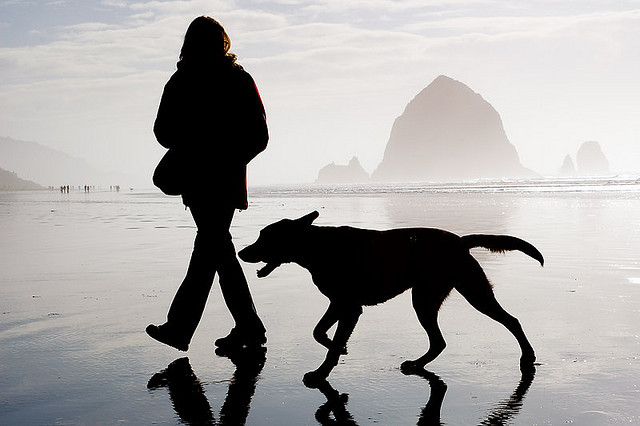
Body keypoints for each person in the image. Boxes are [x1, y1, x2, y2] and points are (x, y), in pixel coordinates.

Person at [146, 16, 268, 352]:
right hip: (223, 181)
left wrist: (194, 141)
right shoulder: (238, 80)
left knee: (211, 247)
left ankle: (182, 328)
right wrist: (229, 157)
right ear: (222, 42)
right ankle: (247, 327)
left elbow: (162, 133)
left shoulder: (181, 81)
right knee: (217, 247)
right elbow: (259, 137)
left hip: (199, 180)